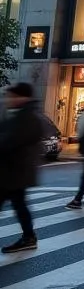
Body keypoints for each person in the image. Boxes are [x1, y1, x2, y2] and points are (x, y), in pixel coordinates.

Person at [0, 82, 43, 253]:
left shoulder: (27, 117)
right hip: (14, 171)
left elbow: (10, 142)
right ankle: (29, 236)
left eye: (11, 96)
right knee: (20, 204)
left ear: (21, 97)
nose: (8, 99)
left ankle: (29, 237)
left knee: (19, 204)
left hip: (14, 171)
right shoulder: (20, 115)